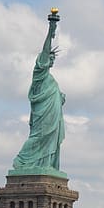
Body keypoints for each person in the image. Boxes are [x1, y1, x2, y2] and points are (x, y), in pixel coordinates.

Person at [12, 10, 65, 174]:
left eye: (53, 59)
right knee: (39, 136)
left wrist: (60, 97)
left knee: (49, 139)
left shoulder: (50, 79)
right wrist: (51, 28)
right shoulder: (39, 73)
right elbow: (45, 49)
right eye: (50, 58)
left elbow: (54, 94)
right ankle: (22, 160)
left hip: (53, 116)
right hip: (43, 115)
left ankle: (45, 165)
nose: (51, 61)